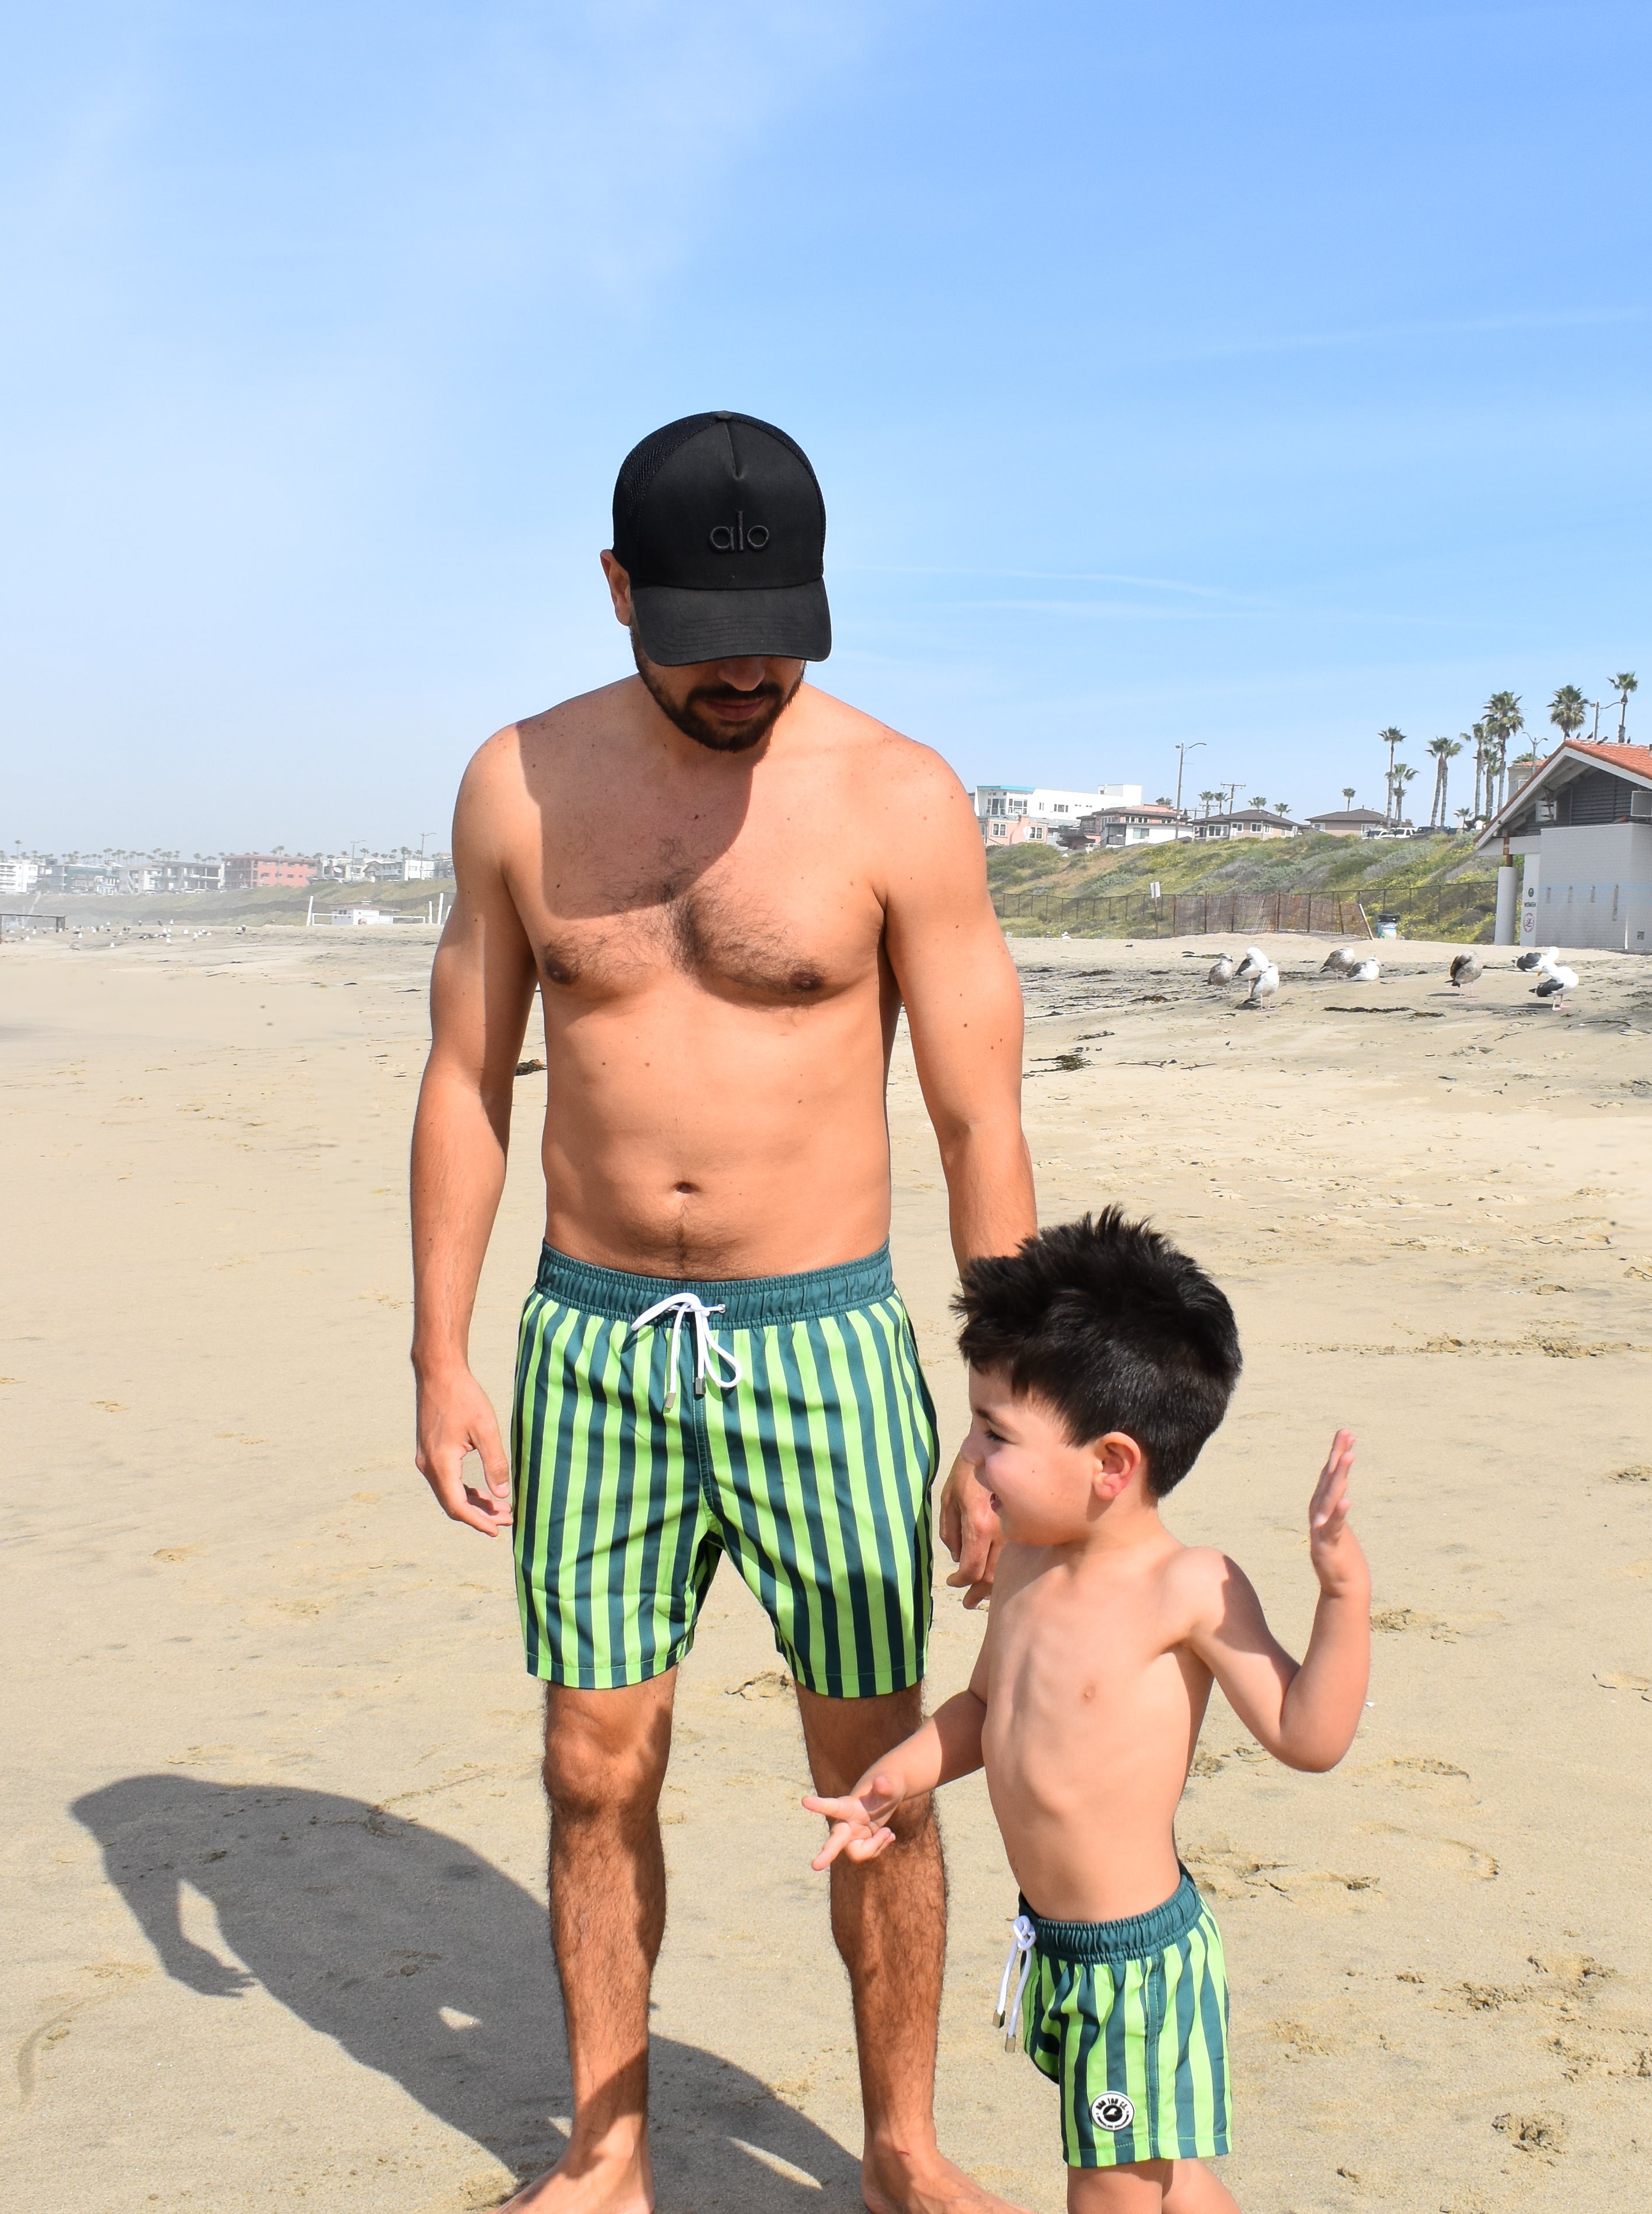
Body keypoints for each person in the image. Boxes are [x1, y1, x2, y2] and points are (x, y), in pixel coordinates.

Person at [409, 410, 1036, 2214]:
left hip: (826, 1342)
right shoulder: (517, 783)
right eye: (704, 636)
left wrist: (1004, 1417)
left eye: (784, 635)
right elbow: (469, 1079)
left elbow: (980, 1116)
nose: (751, 673)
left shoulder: (899, 797)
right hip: (592, 1344)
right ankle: (608, 2152)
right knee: (592, 1761)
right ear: (617, 592)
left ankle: (904, 2149)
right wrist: (442, 1352)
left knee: (877, 1764)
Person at [802, 1211, 1372, 2214]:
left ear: (1111, 1465)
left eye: (997, 1436)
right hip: (1058, 1947)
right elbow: (990, 1708)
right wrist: (896, 1778)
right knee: (1174, 2178)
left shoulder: (1188, 1588)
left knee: (1111, 2190)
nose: (971, 1461)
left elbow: (1309, 1735)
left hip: (1138, 1970)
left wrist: (1341, 1599)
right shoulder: (1025, 1563)